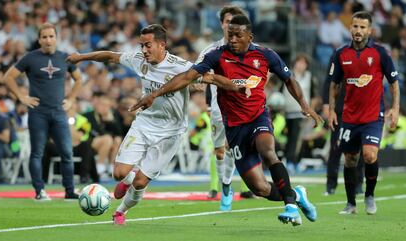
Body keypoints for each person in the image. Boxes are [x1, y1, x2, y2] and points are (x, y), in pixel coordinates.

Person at [132, 15, 321, 226]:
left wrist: (304, 105)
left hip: (258, 116)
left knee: (268, 150)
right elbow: (187, 76)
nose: (232, 39)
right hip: (234, 128)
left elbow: (289, 79)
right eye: (230, 34)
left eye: (238, 35)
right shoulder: (217, 56)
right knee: (259, 188)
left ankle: (291, 206)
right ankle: (296, 195)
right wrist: (155, 94)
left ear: (249, 36)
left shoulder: (265, 55)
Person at [66, 24, 244, 225]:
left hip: (171, 132)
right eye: (142, 45)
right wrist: (81, 57)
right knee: (119, 173)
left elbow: (211, 78)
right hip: (144, 124)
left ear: (162, 45)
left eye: (148, 45)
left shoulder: (182, 67)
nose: (143, 50)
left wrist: (237, 86)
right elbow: (109, 56)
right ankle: (129, 178)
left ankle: (120, 211)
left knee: (141, 182)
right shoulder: (139, 61)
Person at [328, 11, 400, 215]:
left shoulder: (380, 53)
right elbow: (334, 84)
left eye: (362, 27)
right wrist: (332, 110)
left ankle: (369, 195)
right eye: (355, 26)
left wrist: (394, 108)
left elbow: (394, 83)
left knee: (369, 155)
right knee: (350, 159)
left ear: (370, 30)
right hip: (350, 117)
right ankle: (351, 204)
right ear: (350, 28)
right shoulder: (341, 53)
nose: (358, 31)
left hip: (372, 116)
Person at [3, 22, 82, 200]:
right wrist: (21, 97)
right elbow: (8, 78)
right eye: (44, 37)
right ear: (39, 39)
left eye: (51, 36)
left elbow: (78, 79)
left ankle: (69, 191)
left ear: (56, 38)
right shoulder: (30, 58)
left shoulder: (65, 58)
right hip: (38, 113)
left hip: (59, 112)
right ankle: (39, 191)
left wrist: (71, 99)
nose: (48, 40)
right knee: (37, 153)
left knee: (67, 153)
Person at [196, 6, 253, 210]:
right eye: (228, 22)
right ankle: (224, 183)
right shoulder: (211, 50)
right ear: (222, 24)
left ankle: (229, 187)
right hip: (218, 108)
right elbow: (196, 73)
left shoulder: (249, 48)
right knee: (220, 151)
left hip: (243, 108)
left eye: (235, 23)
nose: (231, 26)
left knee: (235, 148)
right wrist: (199, 83)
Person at [322, 65, 364, 196]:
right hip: (341, 110)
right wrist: (327, 104)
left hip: (360, 110)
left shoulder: (369, 54)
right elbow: (329, 80)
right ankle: (331, 185)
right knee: (336, 147)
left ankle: (358, 184)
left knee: (359, 148)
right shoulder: (339, 54)